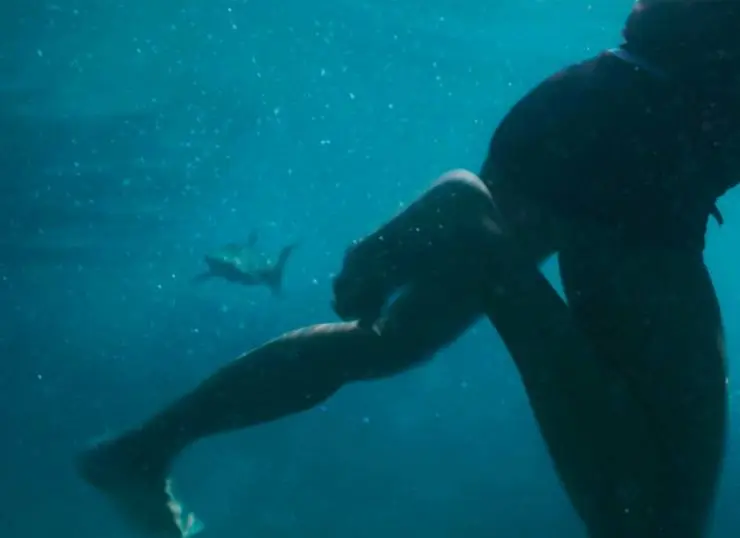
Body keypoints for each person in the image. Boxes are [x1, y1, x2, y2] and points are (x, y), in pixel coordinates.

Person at [77, 1, 740, 537]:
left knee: (390, 340)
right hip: (644, 146)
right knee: (654, 523)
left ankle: (138, 451)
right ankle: (475, 232)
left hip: (599, 106)